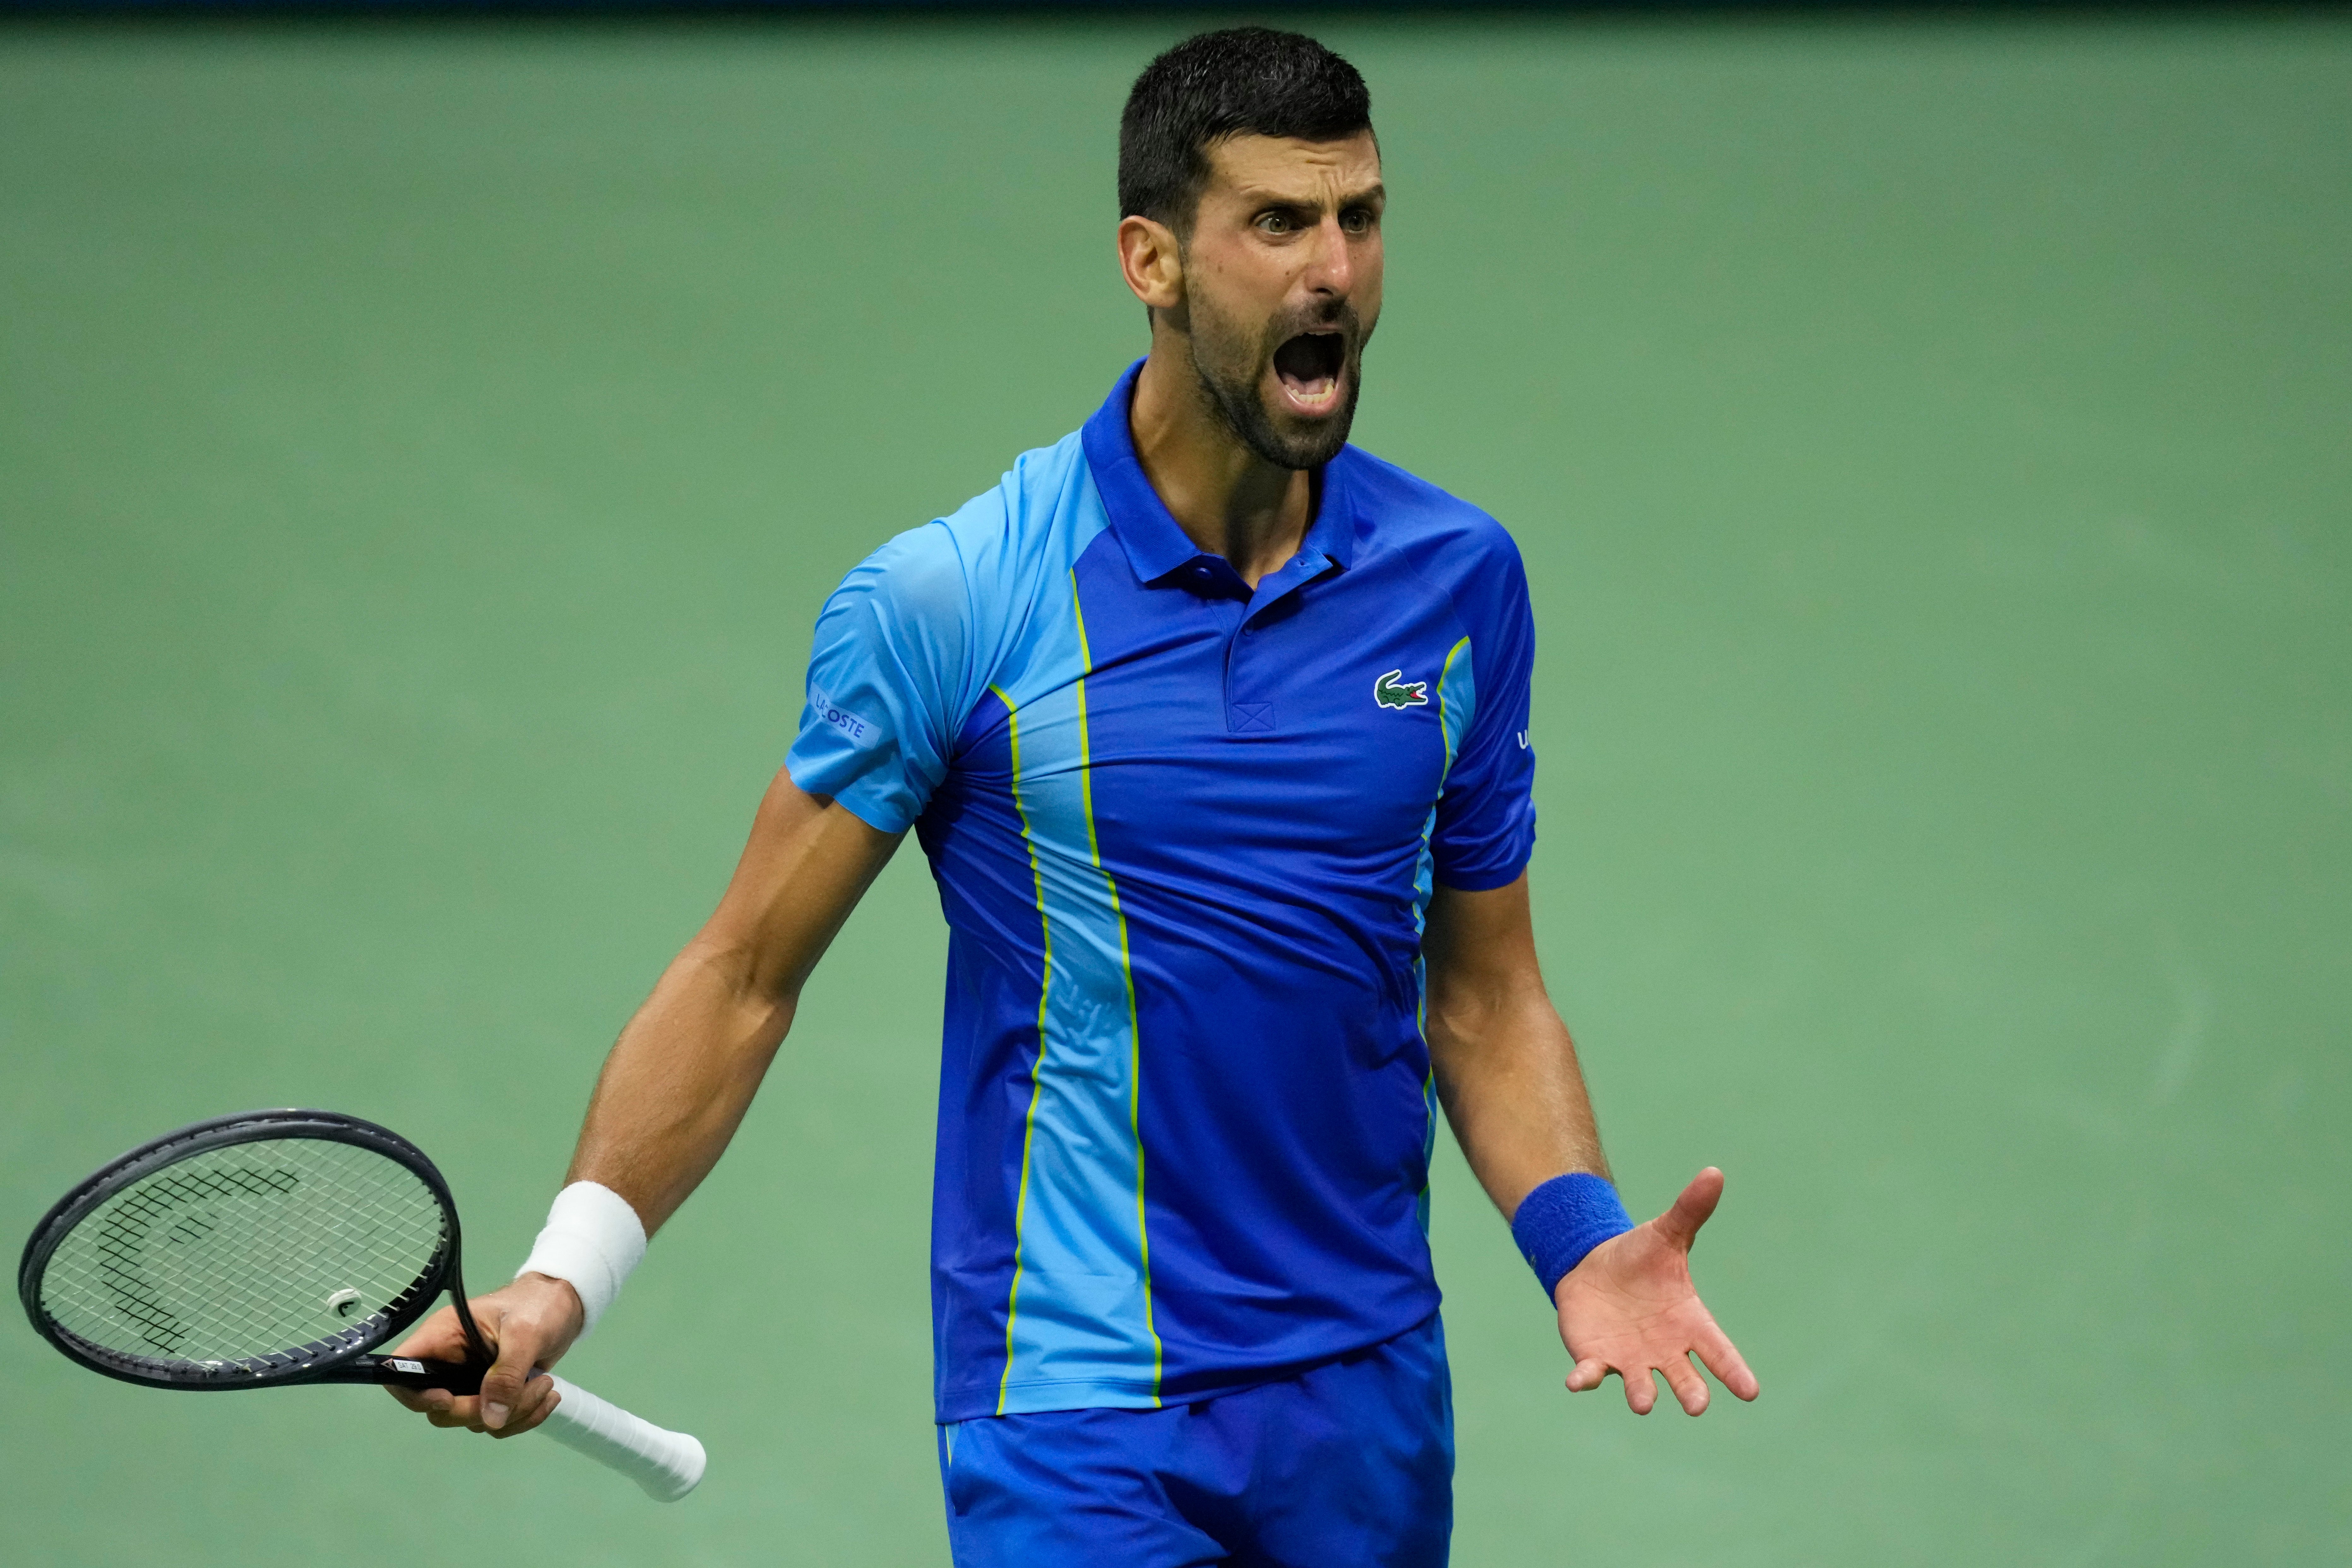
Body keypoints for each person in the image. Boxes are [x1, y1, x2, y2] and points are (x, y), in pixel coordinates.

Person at [388, 26, 1757, 1565]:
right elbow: (743, 974)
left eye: (1360, 219)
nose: (1334, 274)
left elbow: (1488, 998)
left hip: (1367, 1391)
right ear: (1151, 260)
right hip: (1075, 1401)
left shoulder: (1458, 584)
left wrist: (1579, 1242)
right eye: (1278, 224)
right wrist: (560, 1282)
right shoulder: (959, 598)